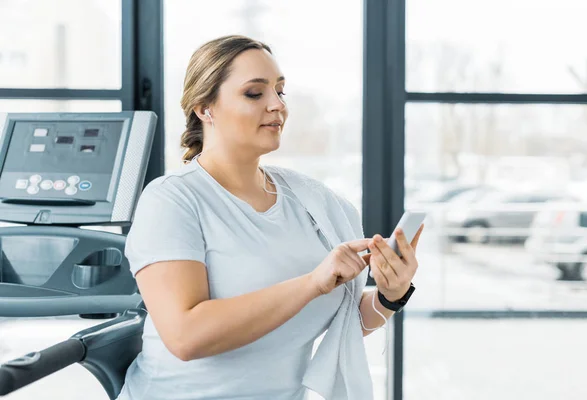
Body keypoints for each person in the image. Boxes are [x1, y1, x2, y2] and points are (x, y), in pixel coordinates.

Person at [117, 35, 423, 400]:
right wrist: (312, 283)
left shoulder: (317, 201)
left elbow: (337, 320)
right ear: (204, 108)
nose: (277, 105)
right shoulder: (172, 200)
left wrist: (391, 295)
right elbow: (185, 336)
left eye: (280, 91)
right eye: (254, 93)